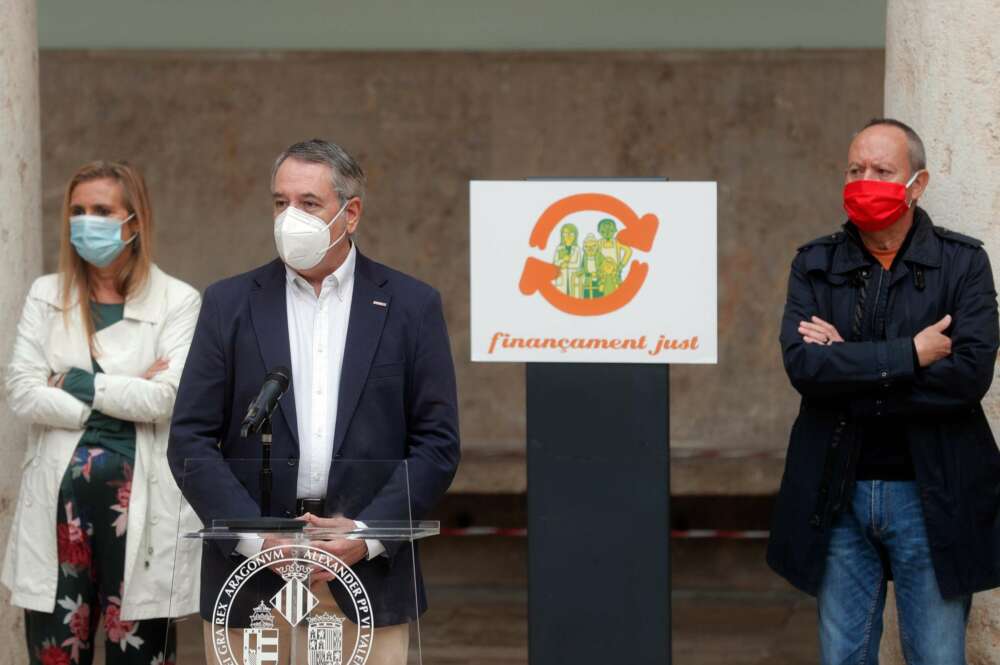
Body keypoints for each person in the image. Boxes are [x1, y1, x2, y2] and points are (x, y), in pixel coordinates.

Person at [167, 139, 460, 665]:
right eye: (280, 203)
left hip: (365, 576)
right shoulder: (228, 303)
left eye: (308, 204)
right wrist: (259, 541)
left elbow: (436, 445)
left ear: (350, 215)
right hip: (252, 581)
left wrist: (366, 535)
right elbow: (190, 440)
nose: (289, 218)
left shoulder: (411, 306)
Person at [768, 118, 1000, 664]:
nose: (864, 180)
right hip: (837, 493)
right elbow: (804, 366)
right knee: (843, 656)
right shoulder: (815, 263)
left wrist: (846, 362)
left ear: (916, 185)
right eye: (855, 169)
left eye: (881, 170)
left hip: (932, 495)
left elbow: (968, 378)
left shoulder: (963, 263)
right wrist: (909, 355)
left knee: (936, 657)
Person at [3, 161, 203, 665]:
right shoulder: (47, 295)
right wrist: (125, 392)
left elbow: (165, 400)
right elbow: (21, 392)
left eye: (101, 210)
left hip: (143, 511)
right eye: (77, 211)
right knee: (55, 652)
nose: (85, 222)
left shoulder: (178, 300)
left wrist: (75, 380)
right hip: (58, 510)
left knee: (138, 653)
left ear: (133, 221)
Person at [553, 223, 582, 297]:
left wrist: (567, 265)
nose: (568, 236)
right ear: (562, 235)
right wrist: (562, 262)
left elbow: (577, 264)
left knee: (573, 295)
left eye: (571, 234)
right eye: (565, 233)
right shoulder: (559, 248)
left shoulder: (577, 248)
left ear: (575, 235)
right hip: (561, 277)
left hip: (573, 277)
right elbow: (555, 263)